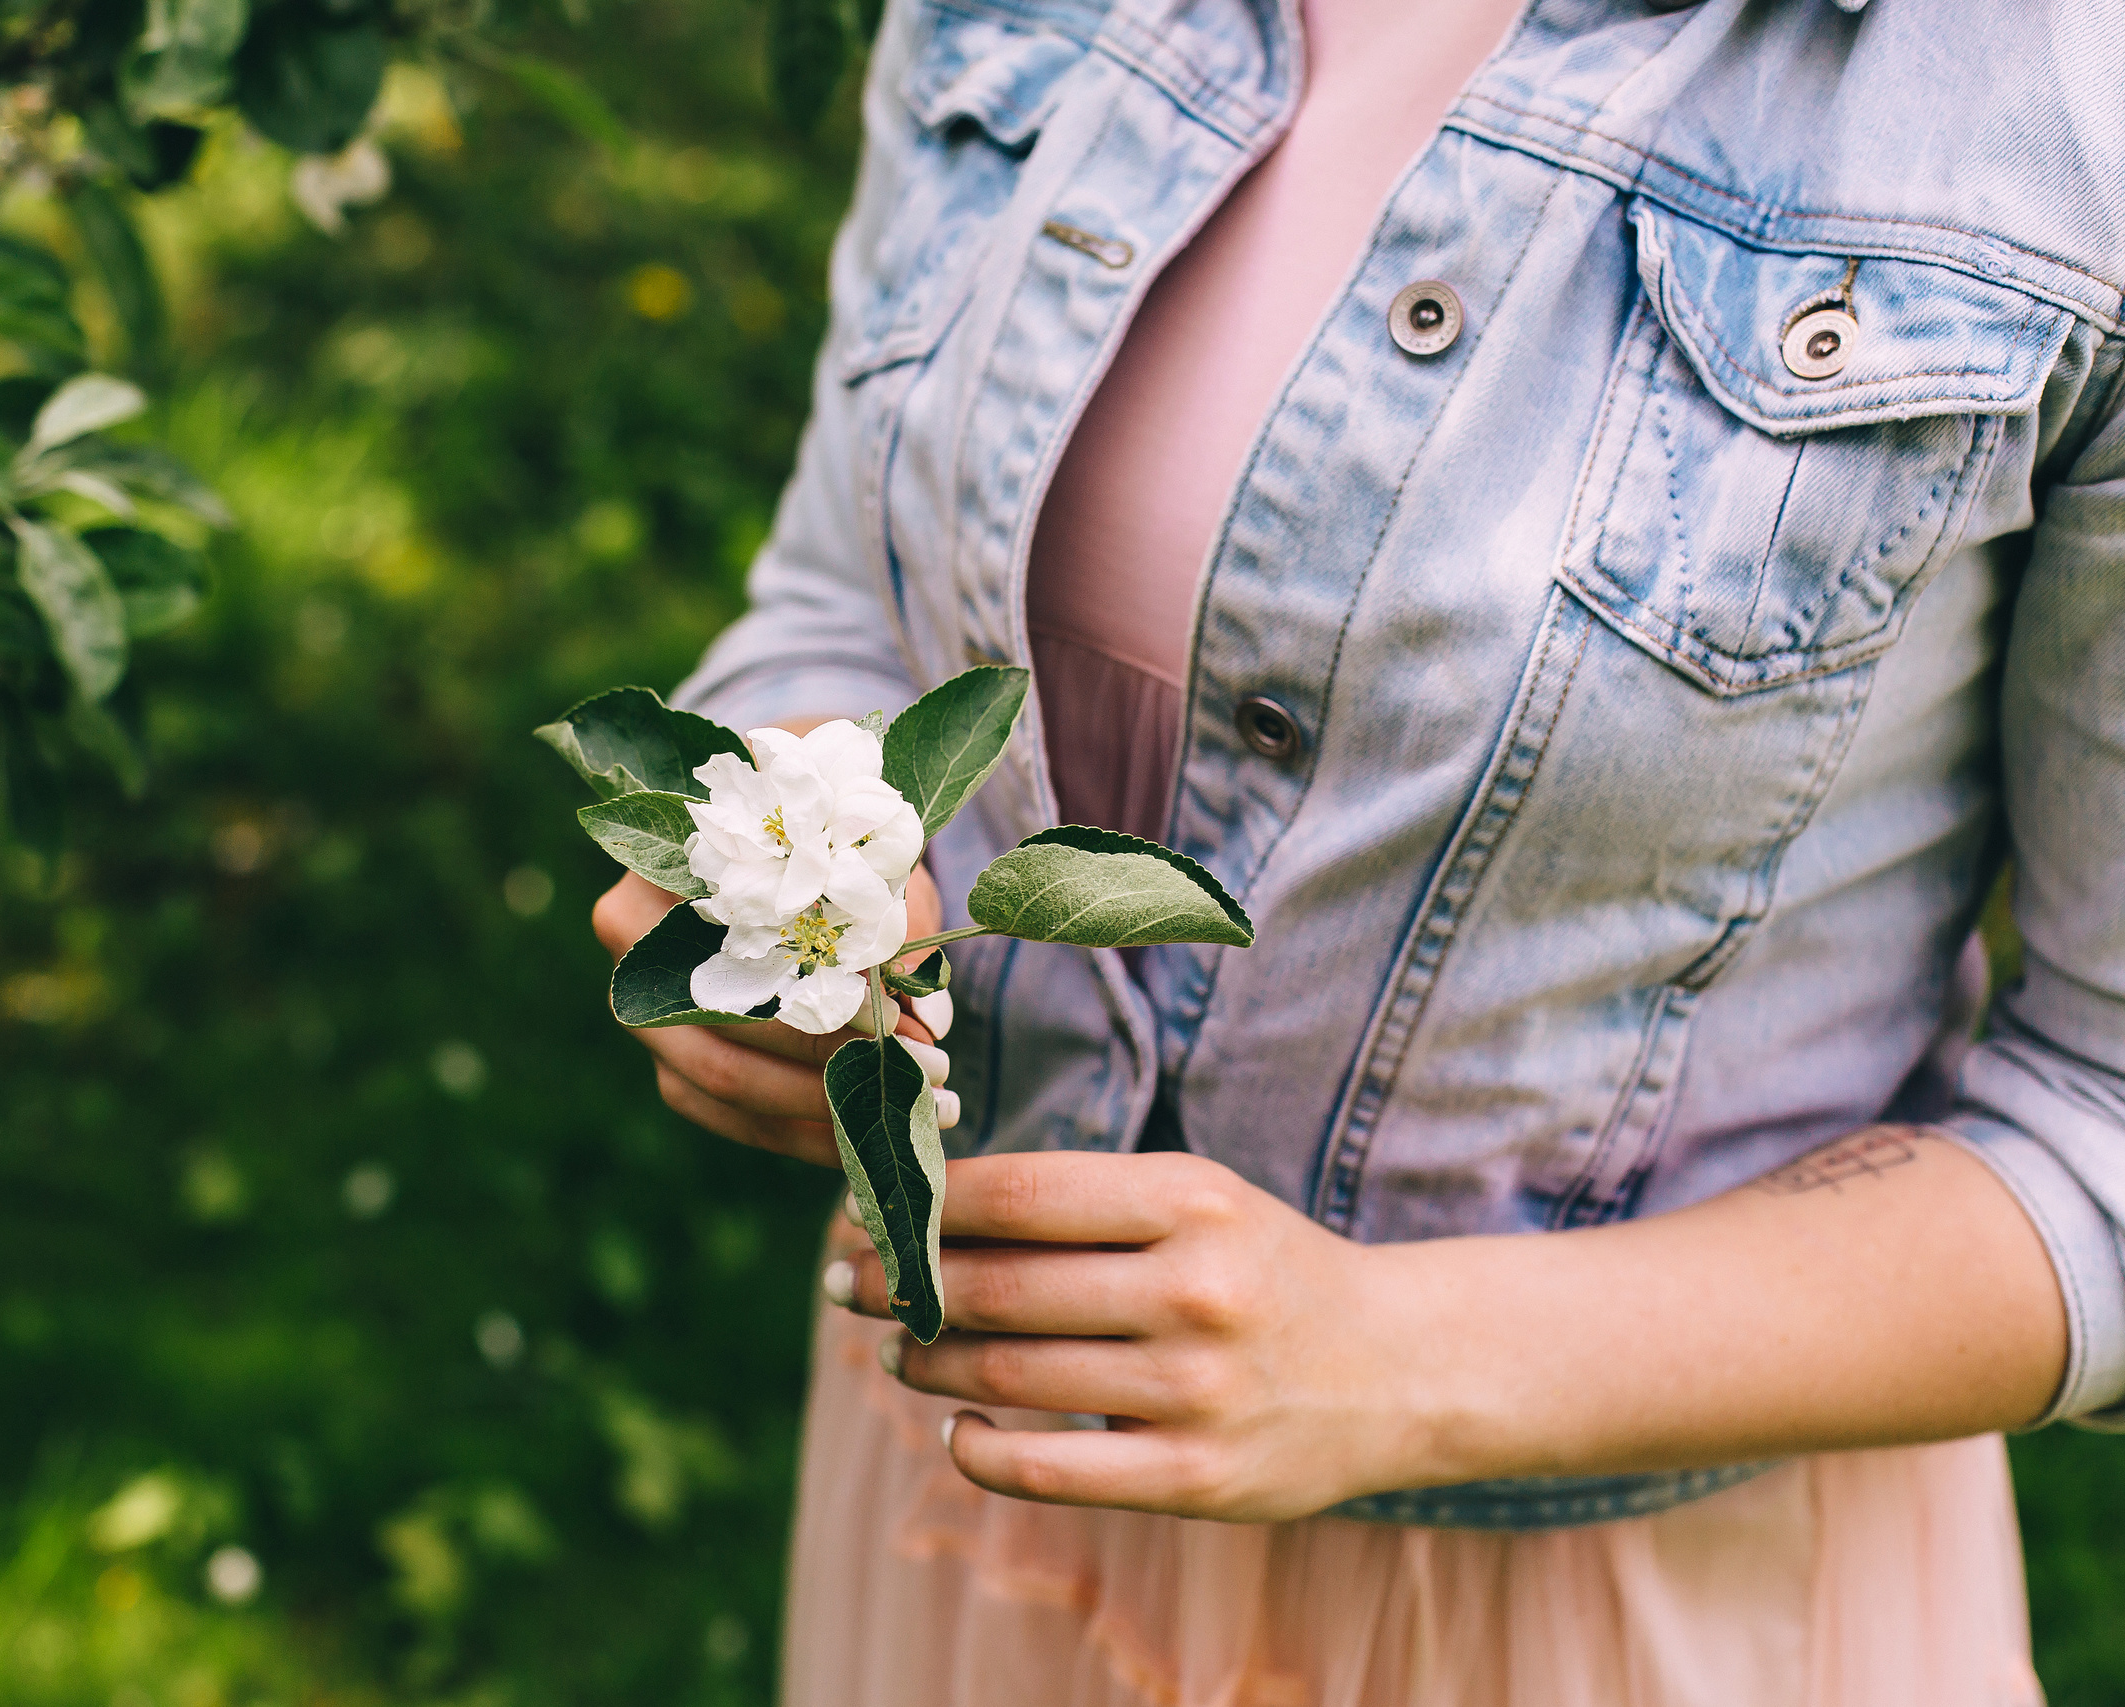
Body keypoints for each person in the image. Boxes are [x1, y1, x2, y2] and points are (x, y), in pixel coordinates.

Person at [591, 0, 2125, 1700]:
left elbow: (2106, 1135)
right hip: (976, 1481)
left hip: (1603, 1611)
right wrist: (794, 863)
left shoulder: (2059, 102)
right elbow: (838, 594)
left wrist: (1400, 1359)